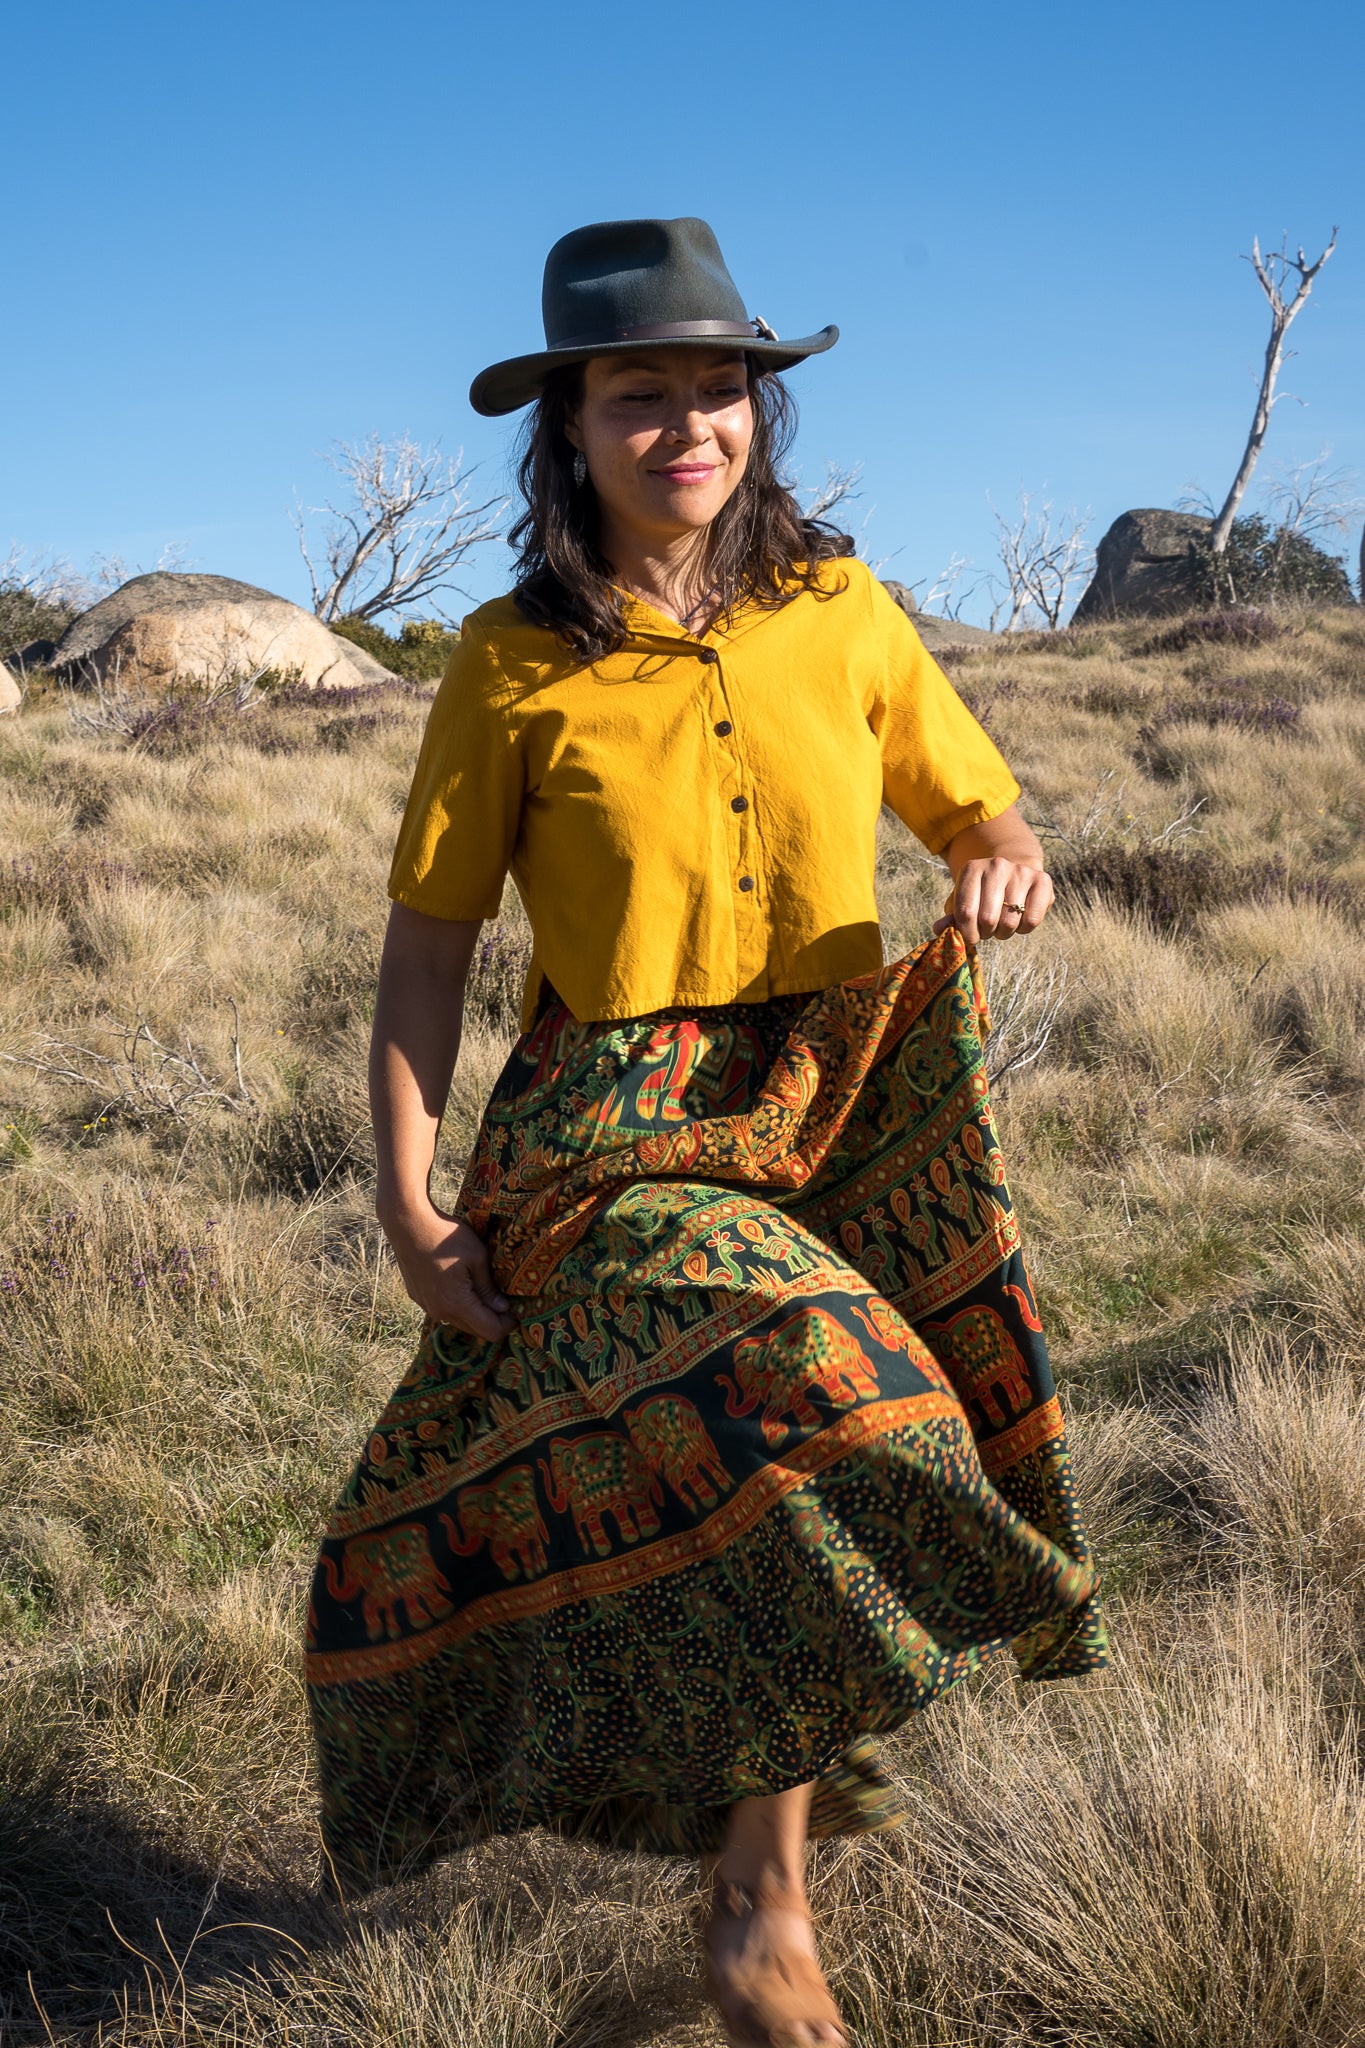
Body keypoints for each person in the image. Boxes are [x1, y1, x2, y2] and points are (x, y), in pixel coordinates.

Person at [305, 216, 1107, 2048]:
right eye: (638, 393)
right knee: (819, 1380)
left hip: (845, 1086)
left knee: (879, 1438)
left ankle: (757, 1871)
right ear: (569, 430)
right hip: (620, 1119)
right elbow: (427, 952)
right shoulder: (512, 660)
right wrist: (406, 1197)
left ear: (761, 407)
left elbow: (974, 808)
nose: (688, 424)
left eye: (717, 389)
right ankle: (760, 1905)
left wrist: (996, 857)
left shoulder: (843, 611)